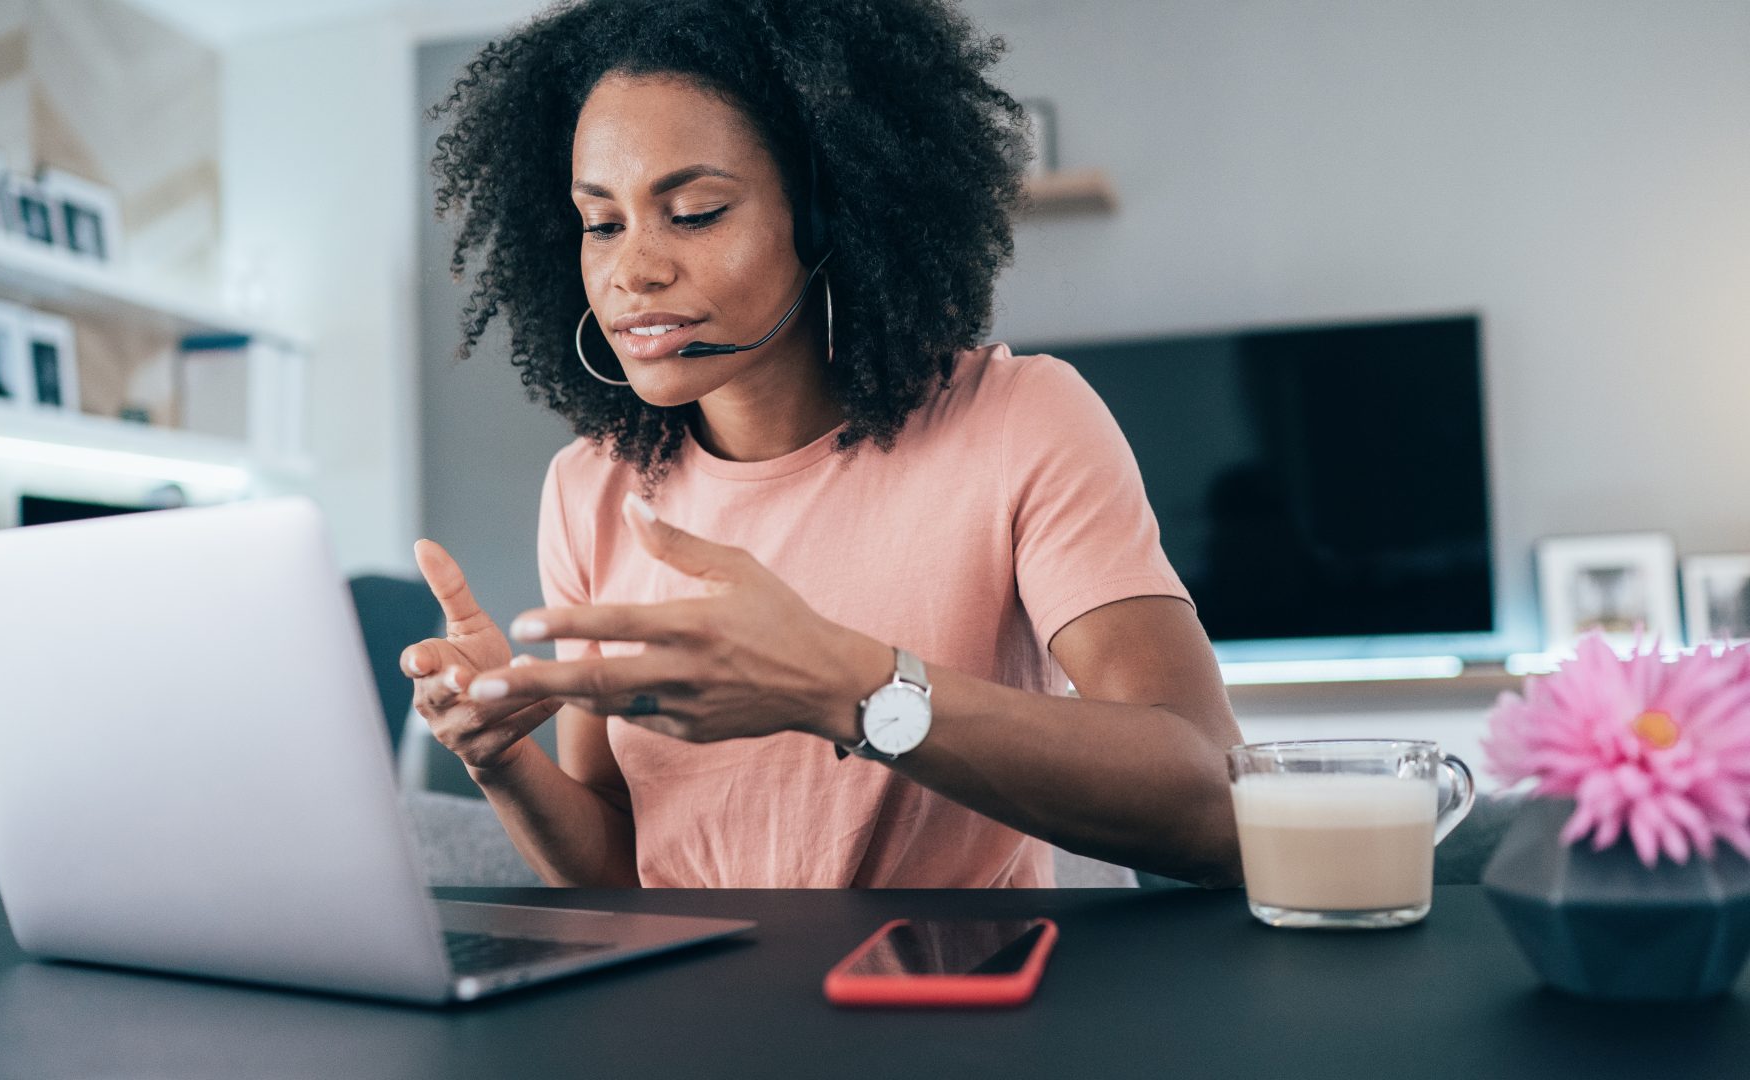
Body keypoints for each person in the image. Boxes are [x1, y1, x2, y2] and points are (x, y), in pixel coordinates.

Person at [405, 0, 1243, 890]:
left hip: (945, 1012)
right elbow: (622, 869)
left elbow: (1213, 802)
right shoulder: (589, 486)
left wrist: (846, 685)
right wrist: (499, 761)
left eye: (693, 212)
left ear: (827, 213)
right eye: (602, 224)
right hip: (689, 1015)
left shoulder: (1018, 421)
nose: (632, 271)